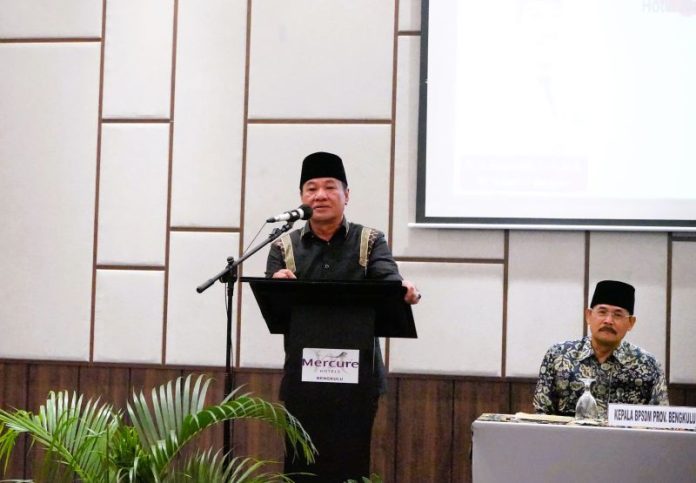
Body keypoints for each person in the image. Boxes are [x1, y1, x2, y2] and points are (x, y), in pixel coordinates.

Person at [265, 151, 420, 482]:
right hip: (303, 378)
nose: (320, 195)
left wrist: (402, 289)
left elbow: (388, 281)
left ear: (346, 195)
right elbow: (275, 308)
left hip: (358, 379)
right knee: (301, 468)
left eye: (330, 187)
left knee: (350, 466)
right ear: (301, 197)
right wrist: (277, 284)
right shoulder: (282, 247)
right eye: (311, 188)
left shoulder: (370, 240)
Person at [533, 280, 668, 417]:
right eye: (602, 312)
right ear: (588, 316)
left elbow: (660, 420)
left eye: (618, 315)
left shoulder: (648, 365)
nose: (608, 321)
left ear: (631, 323)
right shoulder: (558, 355)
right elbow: (542, 414)